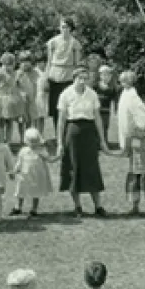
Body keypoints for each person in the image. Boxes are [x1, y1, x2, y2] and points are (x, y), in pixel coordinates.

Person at [56, 68, 111, 217]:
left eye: (85, 78)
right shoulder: (66, 94)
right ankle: (78, 206)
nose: (82, 81)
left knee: (92, 168)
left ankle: (98, 206)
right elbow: (61, 121)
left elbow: (98, 118)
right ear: (74, 78)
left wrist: (102, 140)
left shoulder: (92, 94)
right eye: (80, 78)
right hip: (72, 131)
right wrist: (60, 143)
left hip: (89, 131)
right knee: (73, 168)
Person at [44, 17, 84, 123]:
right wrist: (46, 77)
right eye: (62, 27)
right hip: (54, 75)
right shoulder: (53, 42)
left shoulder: (75, 43)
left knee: (68, 105)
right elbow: (49, 61)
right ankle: (57, 135)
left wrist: (78, 79)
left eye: (66, 27)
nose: (64, 29)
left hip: (68, 76)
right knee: (55, 106)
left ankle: (66, 133)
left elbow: (77, 64)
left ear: (70, 28)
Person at [10, 127, 55, 218]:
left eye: (35, 141)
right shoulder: (23, 151)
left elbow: (49, 159)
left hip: (37, 175)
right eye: (31, 141)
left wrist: (58, 156)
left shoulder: (41, 150)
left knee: (36, 191)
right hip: (24, 175)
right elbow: (19, 162)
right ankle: (18, 207)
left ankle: (34, 209)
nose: (34, 144)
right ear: (27, 141)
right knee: (20, 190)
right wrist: (14, 171)